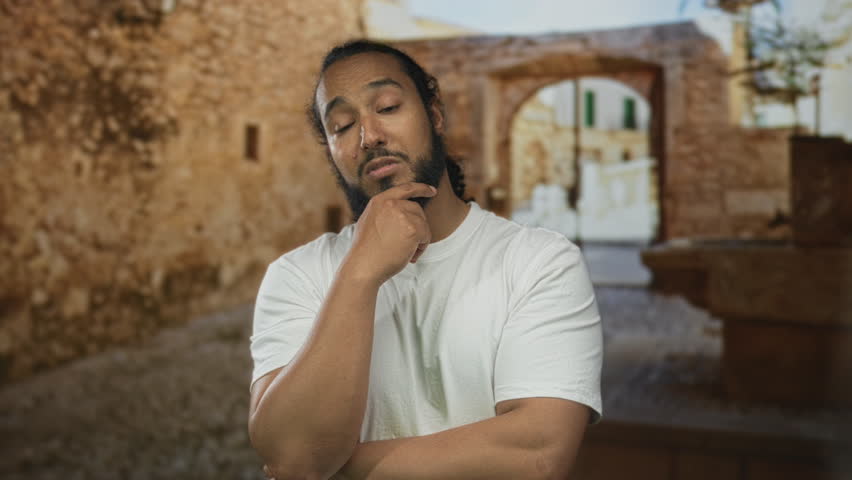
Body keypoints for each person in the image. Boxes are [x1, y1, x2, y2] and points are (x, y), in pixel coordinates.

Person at [247, 39, 603, 480]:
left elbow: (536, 454)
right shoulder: (296, 275)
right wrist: (359, 275)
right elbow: (289, 453)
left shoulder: (540, 261)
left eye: (389, 107)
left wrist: (328, 468)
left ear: (434, 115)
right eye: (341, 126)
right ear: (332, 153)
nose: (369, 136)